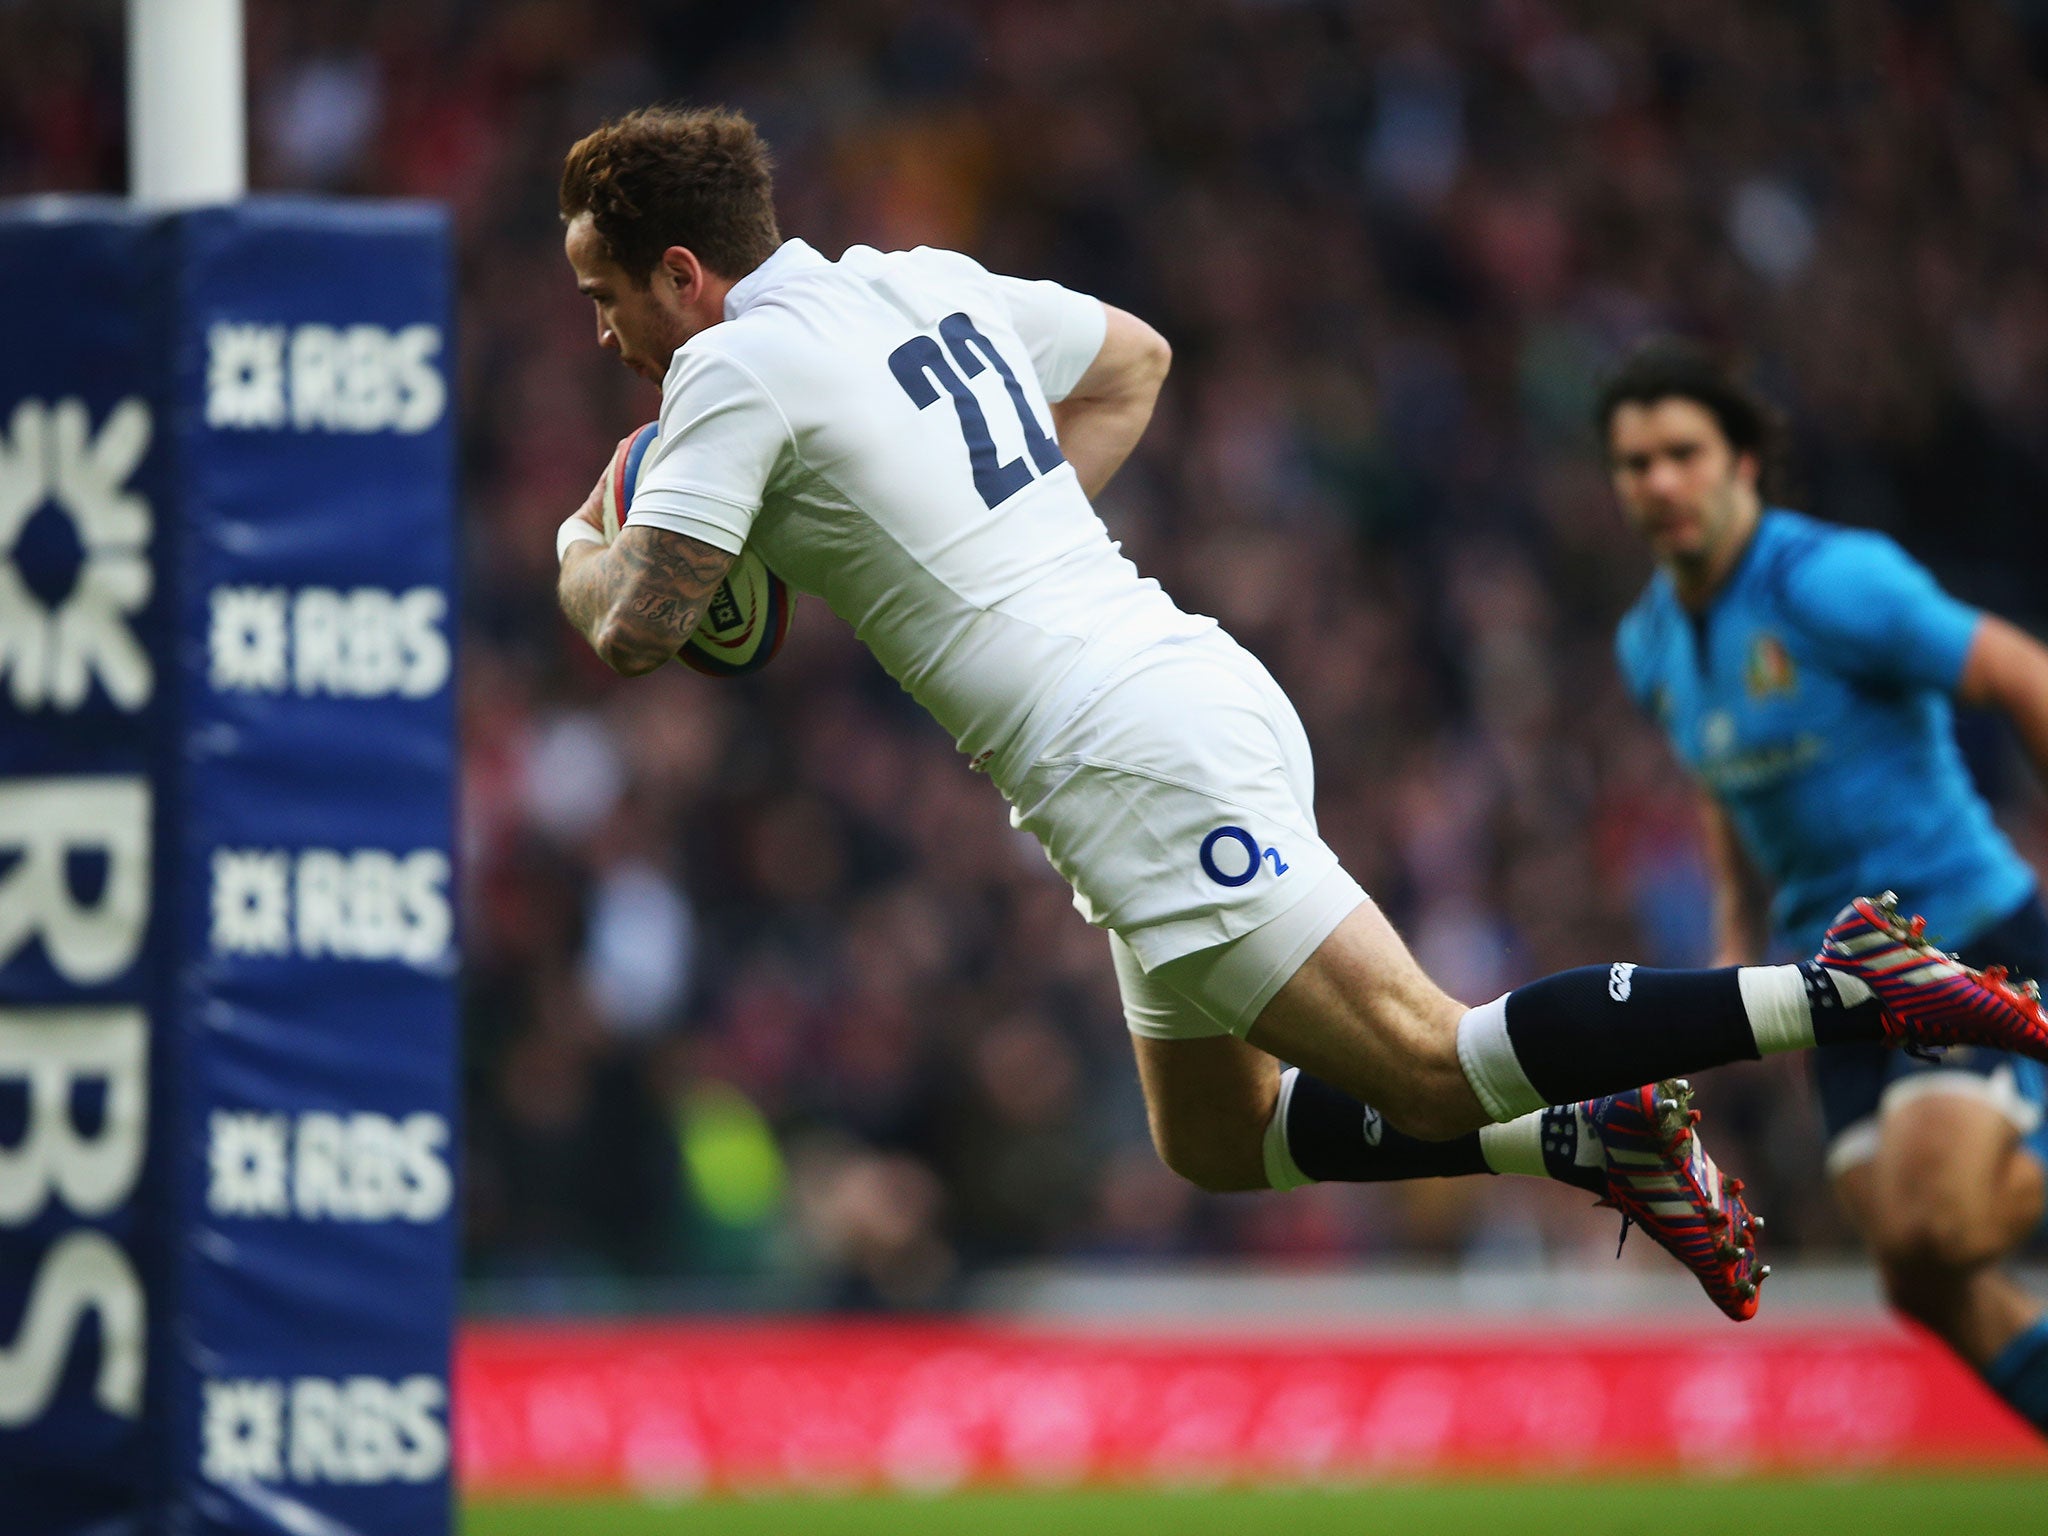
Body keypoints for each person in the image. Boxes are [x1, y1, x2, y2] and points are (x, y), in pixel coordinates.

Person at [547, 105, 2048, 1322]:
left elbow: (636, 627)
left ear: (682, 273)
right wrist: (999, 537)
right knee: (1215, 1139)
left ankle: (1843, 988)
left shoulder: (728, 365)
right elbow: (1134, 360)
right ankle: (1594, 1133)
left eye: (605, 297)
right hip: (1173, 683)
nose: (606, 338)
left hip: (1119, 752)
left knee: (1429, 1061)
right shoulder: (915, 279)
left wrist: (578, 541)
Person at [1604, 337, 2048, 1429]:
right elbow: (1721, 778)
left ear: (1743, 463)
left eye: (1683, 454)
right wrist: (1730, 931)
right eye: (1635, 463)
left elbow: (2018, 671)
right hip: (1829, 985)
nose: (1659, 482)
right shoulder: (1647, 643)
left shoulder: (1831, 581)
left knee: (1942, 1228)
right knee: (1916, 1277)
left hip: (1956, 939)